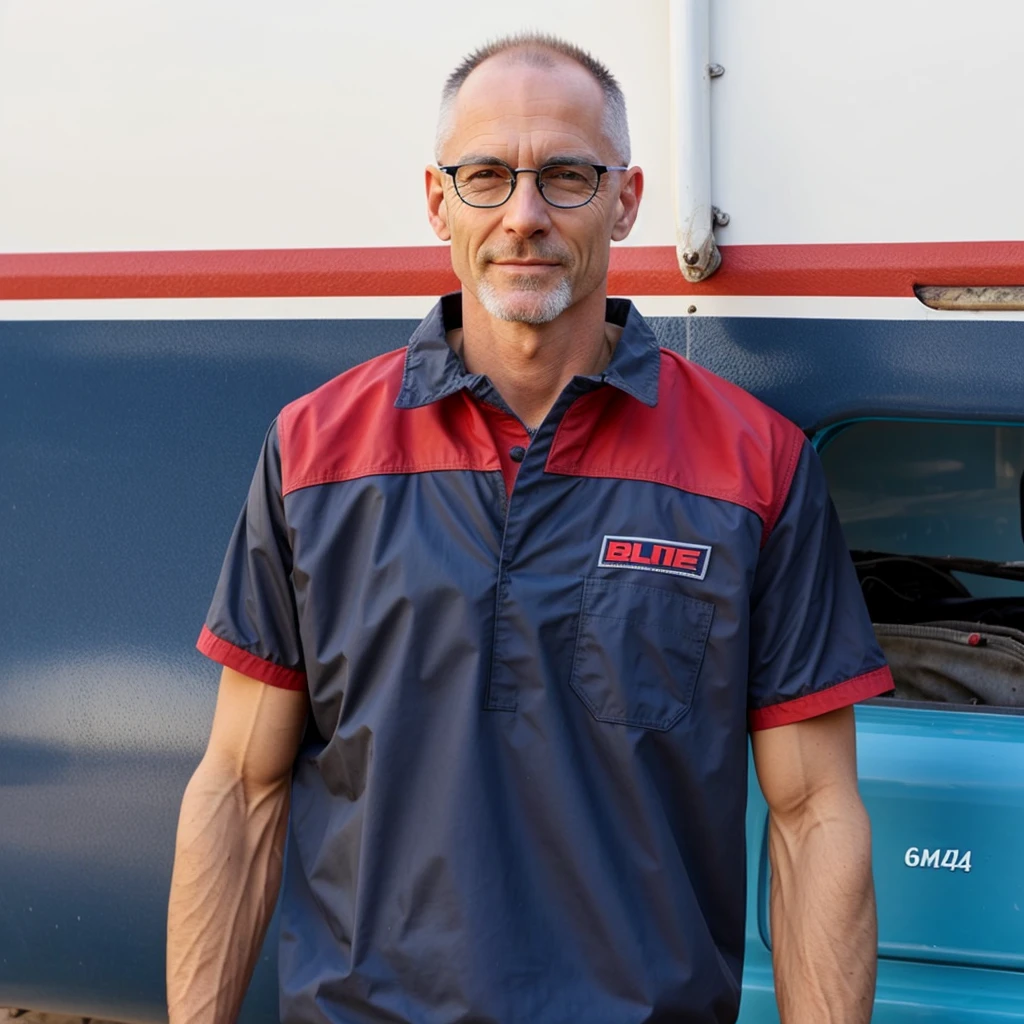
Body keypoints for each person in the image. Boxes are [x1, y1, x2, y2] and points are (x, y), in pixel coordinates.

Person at [167, 32, 894, 1024]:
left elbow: (815, 816)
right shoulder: (315, 452)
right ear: (438, 202)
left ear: (625, 198)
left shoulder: (753, 466)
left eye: (564, 176)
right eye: (485, 177)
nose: (523, 216)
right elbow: (238, 789)